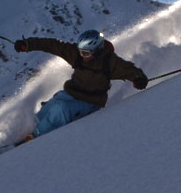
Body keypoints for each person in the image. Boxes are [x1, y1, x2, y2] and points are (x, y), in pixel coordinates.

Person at [14, 29, 148, 139]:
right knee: (49, 108)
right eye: (80, 51)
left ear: (97, 50)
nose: (82, 55)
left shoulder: (110, 62)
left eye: (86, 53)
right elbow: (53, 45)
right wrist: (28, 44)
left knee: (61, 110)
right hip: (70, 93)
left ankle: (35, 139)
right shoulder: (77, 55)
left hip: (90, 102)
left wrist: (139, 78)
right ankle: (29, 131)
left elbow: (130, 70)